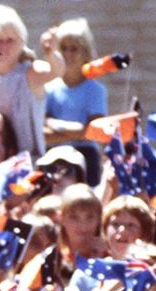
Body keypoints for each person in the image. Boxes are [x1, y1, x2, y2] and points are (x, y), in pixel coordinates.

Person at [0, 5, 64, 157]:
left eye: (10, 40)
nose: (3, 47)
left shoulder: (30, 73)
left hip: (28, 168)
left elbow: (57, 71)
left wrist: (51, 52)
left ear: (21, 42)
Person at [43, 18, 107, 185]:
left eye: (74, 49)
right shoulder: (48, 89)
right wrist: (78, 130)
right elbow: (43, 134)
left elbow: (93, 132)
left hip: (86, 158)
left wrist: (53, 123)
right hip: (54, 157)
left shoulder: (95, 90)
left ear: (85, 53)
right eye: (63, 49)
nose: (68, 54)